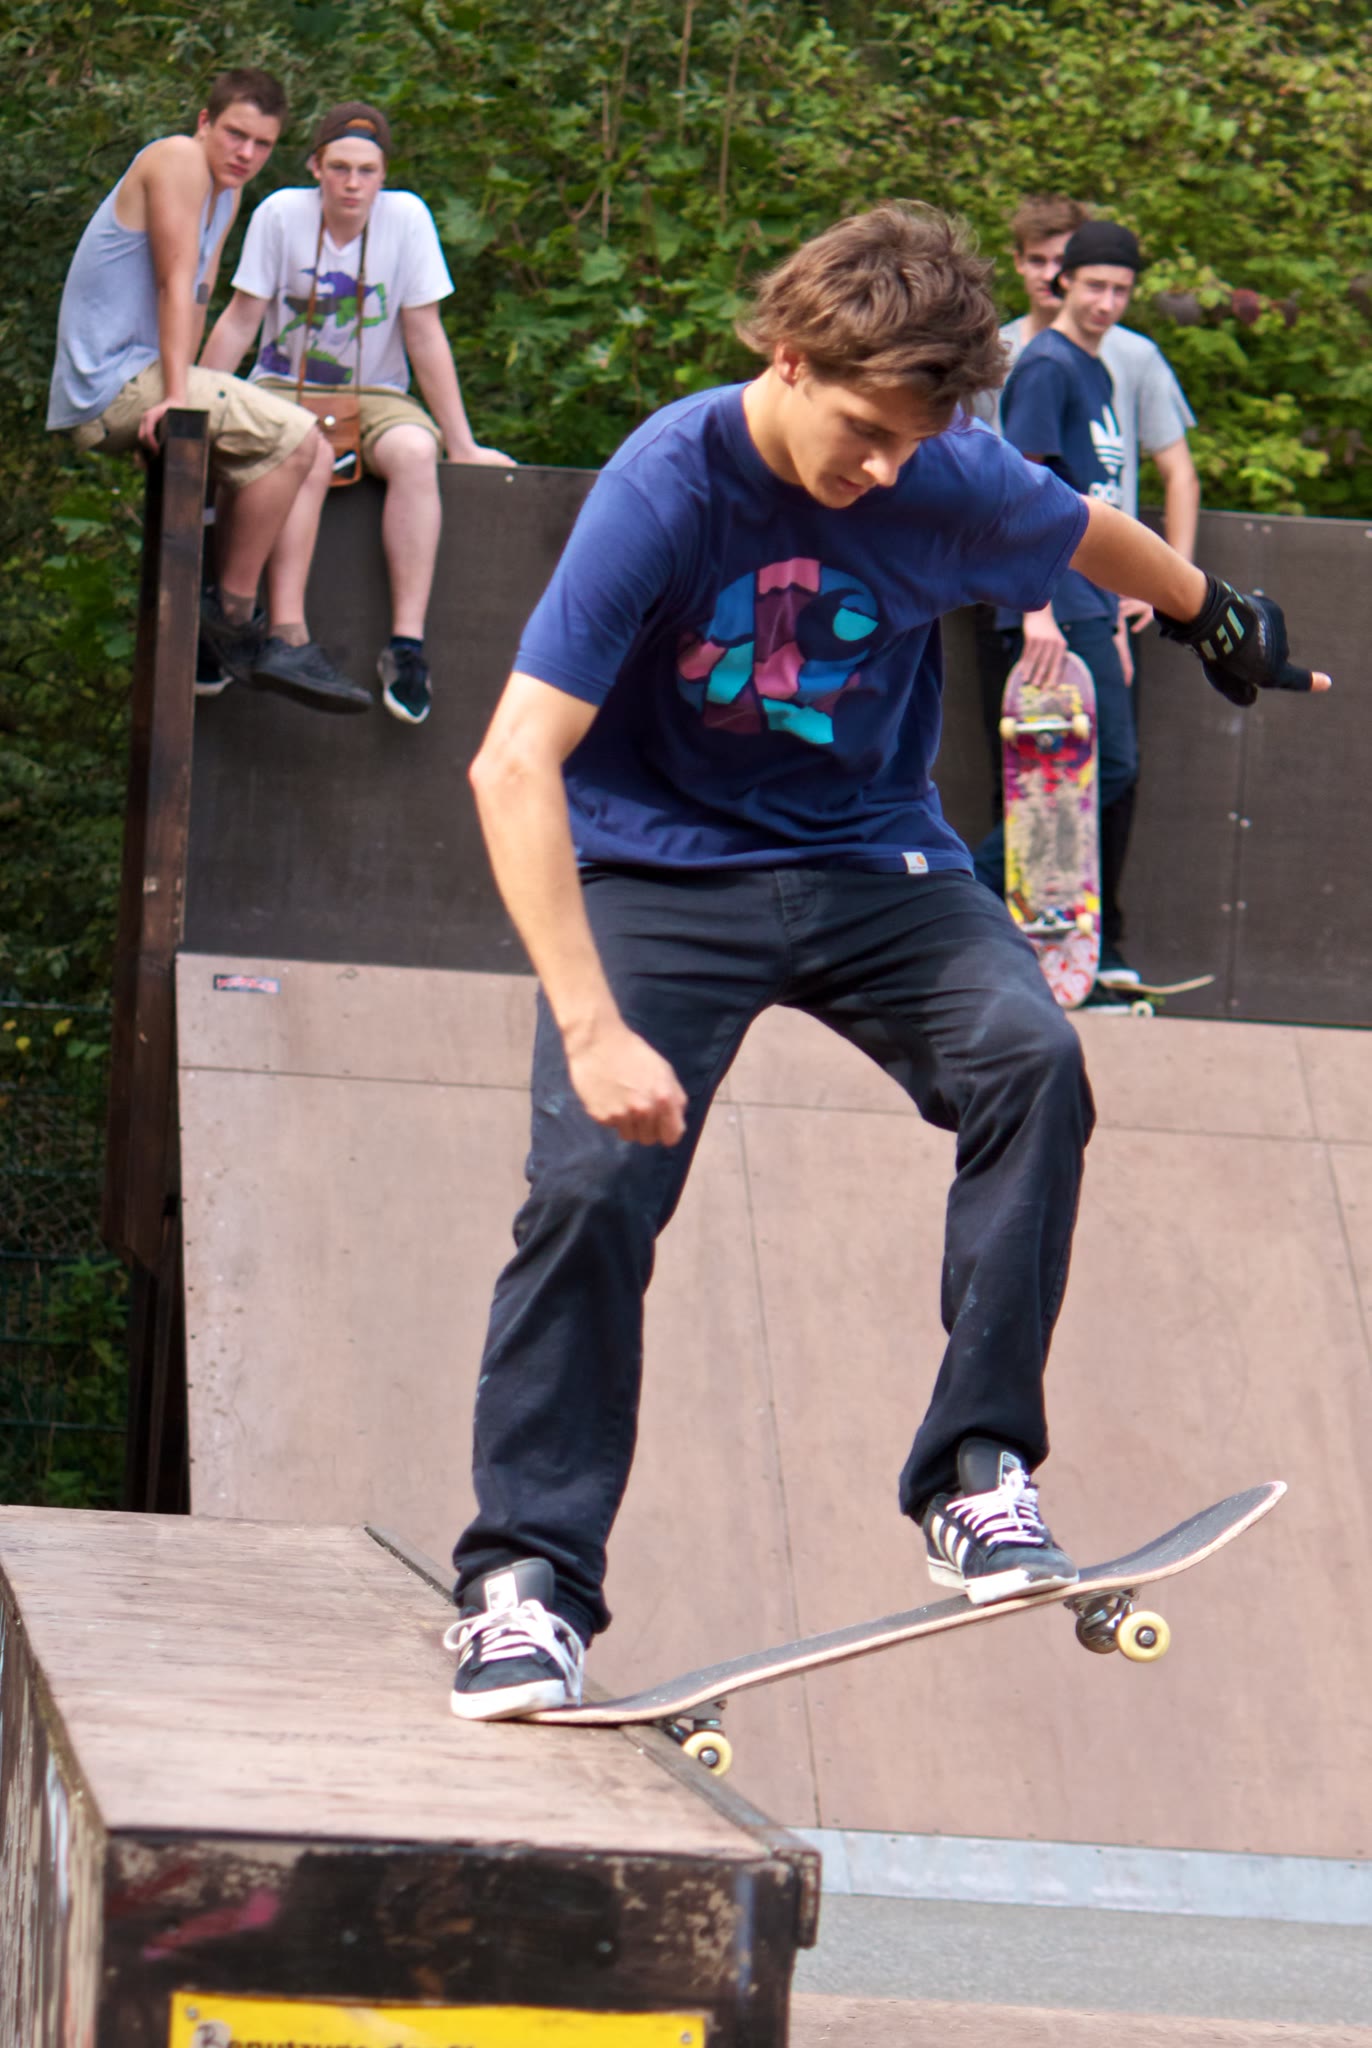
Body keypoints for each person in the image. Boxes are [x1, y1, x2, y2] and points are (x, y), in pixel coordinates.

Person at [441, 203, 1327, 1721]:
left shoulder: (944, 468)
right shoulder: (667, 484)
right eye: (862, 435)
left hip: (874, 864)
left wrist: (1211, 611)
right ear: (789, 358)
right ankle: (525, 1585)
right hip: (659, 870)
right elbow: (512, 762)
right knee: (590, 1183)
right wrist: (591, 1026)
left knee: (1032, 1058)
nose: (880, 473)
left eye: (911, 446)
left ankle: (975, 1471)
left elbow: (1079, 525)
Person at [46, 69, 369, 714]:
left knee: (310, 458)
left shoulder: (226, 193)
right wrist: (177, 396)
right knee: (297, 435)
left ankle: (277, 633)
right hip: (111, 380)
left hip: (142, 378)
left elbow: (198, 295)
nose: (245, 153)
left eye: (262, 143)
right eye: (234, 134)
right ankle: (231, 622)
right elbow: (174, 281)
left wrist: (182, 390)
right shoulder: (178, 160)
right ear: (204, 123)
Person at [201, 101, 514, 727]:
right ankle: (247, 629)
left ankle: (406, 647)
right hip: (282, 387)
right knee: (299, 453)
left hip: (377, 394)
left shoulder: (408, 219)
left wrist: (462, 442)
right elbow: (241, 317)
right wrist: (197, 407)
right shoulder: (280, 214)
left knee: (416, 453)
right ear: (315, 167)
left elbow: (424, 331)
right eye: (340, 168)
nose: (352, 183)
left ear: (383, 175)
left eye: (366, 171)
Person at [974, 199, 1201, 980]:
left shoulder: (1098, 369)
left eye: (1121, 290)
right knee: (1080, 777)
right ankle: (960, 900)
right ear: (1063, 281)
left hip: (1090, 604)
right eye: (1094, 285)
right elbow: (1022, 491)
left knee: (1098, 772)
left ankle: (1029, 936)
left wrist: (1108, 615)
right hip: (1053, 601)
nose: (1106, 302)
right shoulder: (1044, 366)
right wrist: (1036, 611)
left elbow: (1098, 502)